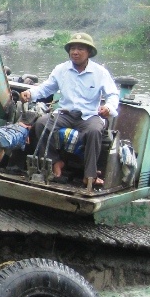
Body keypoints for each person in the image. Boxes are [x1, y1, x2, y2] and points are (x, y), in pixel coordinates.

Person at [19, 32, 119, 188]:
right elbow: (46, 88)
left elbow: (113, 95)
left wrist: (108, 108)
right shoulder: (61, 69)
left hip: (89, 116)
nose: (75, 52)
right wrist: (30, 94)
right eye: (72, 48)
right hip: (65, 114)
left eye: (80, 49)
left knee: (94, 131)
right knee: (41, 123)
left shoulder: (100, 73)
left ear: (89, 53)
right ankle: (54, 162)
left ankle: (89, 176)